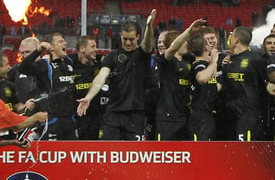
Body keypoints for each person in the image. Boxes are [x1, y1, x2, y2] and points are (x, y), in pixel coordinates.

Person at [77, 10, 156, 140]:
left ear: (138, 36)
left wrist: (149, 26)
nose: (128, 43)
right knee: (109, 154)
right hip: (113, 113)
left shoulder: (142, 55)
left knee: (133, 156)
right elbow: (101, 77)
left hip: (135, 115)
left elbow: (147, 44)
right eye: (125, 39)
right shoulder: (112, 56)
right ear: (120, 35)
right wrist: (88, 97)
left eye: (131, 39)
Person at [17, 32, 77, 140]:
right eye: (61, 41)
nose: (65, 43)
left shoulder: (69, 62)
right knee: (51, 155)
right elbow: (23, 68)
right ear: (51, 47)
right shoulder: (45, 64)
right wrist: (38, 51)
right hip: (52, 121)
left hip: (71, 120)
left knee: (72, 155)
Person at [155, 19, 206, 140]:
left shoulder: (188, 60)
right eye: (184, 41)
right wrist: (189, 31)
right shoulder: (165, 60)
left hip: (185, 116)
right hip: (167, 118)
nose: (186, 44)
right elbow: (172, 50)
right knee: (165, 154)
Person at [222, 26, 267, 141]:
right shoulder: (227, 60)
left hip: (247, 115)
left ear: (236, 40)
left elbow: (265, 82)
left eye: (231, 36)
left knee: (244, 150)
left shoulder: (255, 59)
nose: (229, 40)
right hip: (230, 115)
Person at [188, 33, 222, 141]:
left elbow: (212, 88)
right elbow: (202, 78)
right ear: (206, 47)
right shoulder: (199, 64)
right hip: (200, 117)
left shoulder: (206, 66)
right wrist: (214, 61)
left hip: (208, 116)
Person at [71, 35, 102, 140]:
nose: (96, 50)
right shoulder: (70, 65)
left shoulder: (99, 64)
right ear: (82, 49)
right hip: (76, 118)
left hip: (96, 117)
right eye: (92, 47)